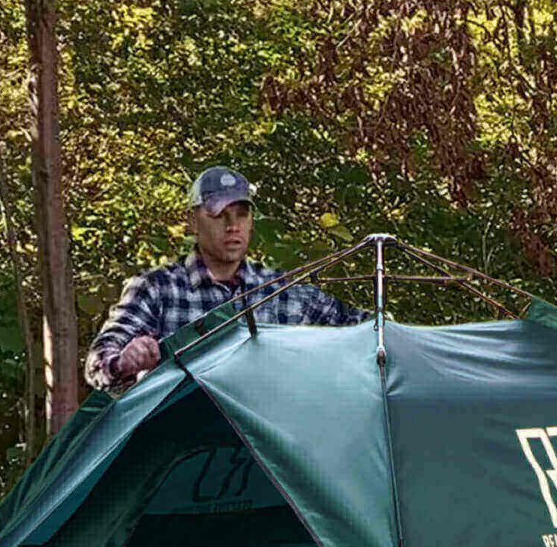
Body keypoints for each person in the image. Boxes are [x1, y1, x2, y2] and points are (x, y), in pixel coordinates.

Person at [85, 166, 365, 389]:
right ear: (192, 221)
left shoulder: (283, 291)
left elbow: (366, 330)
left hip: (262, 439)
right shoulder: (158, 289)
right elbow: (97, 363)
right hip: (186, 438)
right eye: (219, 215)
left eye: (242, 215)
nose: (233, 226)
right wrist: (124, 362)